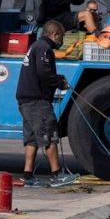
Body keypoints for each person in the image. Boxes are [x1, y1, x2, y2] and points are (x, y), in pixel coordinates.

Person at [15, 19, 79, 188]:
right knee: (49, 136)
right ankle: (56, 175)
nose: (62, 41)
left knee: (32, 140)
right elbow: (44, 73)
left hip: (25, 101)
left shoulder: (35, 46)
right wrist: (59, 81)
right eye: (61, 37)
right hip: (37, 101)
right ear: (54, 34)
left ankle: (28, 176)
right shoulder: (44, 48)